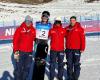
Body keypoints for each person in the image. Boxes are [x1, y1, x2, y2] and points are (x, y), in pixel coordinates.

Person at [13, 15, 36, 80]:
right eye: (27, 21)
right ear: (25, 21)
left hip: (29, 52)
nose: (28, 23)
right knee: (18, 67)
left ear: (31, 22)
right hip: (19, 51)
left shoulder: (33, 30)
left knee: (27, 67)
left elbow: (35, 38)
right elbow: (15, 40)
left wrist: (36, 39)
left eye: (29, 21)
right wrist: (15, 51)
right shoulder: (19, 29)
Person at [32, 11, 51, 80]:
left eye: (46, 17)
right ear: (41, 16)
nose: (45, 18)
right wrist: (34, 38)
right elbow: (32, 31)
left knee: (42, 62)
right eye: (44, 16)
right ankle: (35, 77)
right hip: (38, 44)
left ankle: (40, 78)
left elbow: (52, 33)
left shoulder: (50, 25)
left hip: (45, 44)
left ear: (48, 18)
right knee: (37, 61)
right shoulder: (37, 24)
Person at [65, 16, 86, 80]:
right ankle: (70, 77)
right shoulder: (67, 28)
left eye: (73, 20)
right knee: (69, 64)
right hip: (69, 49)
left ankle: (75, 77)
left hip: (77, 49)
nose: (72, 21)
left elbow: (83, 39)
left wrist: (82, 48)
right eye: (71, 20)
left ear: (75, 21)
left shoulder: (80, 29)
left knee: (76, 64)